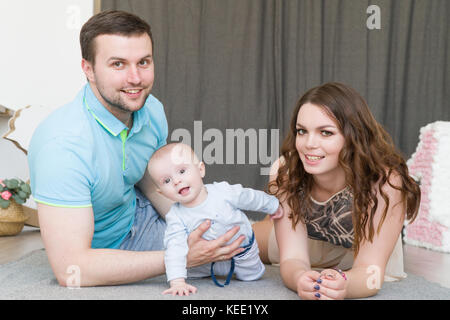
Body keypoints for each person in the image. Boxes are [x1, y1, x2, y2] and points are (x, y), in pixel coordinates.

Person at [27, 10, 245, 287]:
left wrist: (197, 218)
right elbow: (72, 269)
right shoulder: (61, 146)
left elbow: (150, 182)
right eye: (118, 64)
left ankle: (306, 238)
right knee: (230, 257)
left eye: (143, 62)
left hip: (140, 209)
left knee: (234, 231)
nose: (135, 78)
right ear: (88, 69)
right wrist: (183, 257)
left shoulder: (151, 109)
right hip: (109, 246)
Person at [252, 82, 420, 299]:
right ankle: (271, 218)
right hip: (308, 241)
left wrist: (344, 286)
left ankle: (274, 217)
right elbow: (292, 258)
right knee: (232, 238)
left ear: (353, 136)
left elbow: (370, 271)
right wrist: (299, 278)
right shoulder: (286, 169)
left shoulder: (385, 181)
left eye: (326, 133)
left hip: (363, 252)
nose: (309, 143)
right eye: (302, 131)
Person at [147, 143, 284, 296]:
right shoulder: (176, 216)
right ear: (162, 193)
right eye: (167, 181)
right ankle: (204, 271)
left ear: (200, 170)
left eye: (182, 171)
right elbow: (174, 248)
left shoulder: (222, 192)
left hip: (241, 250)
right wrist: (177, 282)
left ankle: (245, 264)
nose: (177, 181)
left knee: (252, 276)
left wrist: (273, 205)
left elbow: (249, 197)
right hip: (204, 260)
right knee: (187, 269)